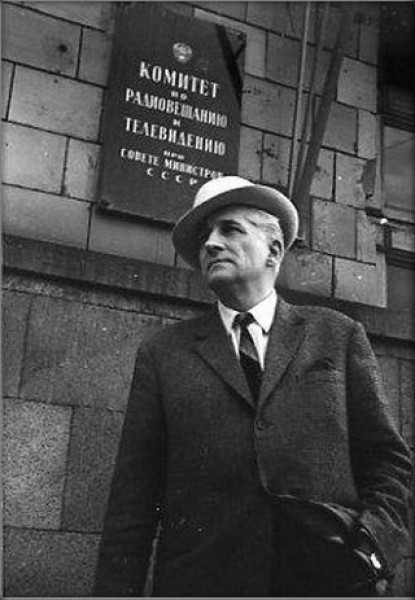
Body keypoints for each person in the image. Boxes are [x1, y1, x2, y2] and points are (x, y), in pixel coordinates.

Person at [94, 176, 411, 597]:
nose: (210, 244)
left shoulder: (336, 334)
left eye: (230, 229)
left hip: (328, 584)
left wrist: (371, 549)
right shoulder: (164, 353)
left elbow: (388, 462)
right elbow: (132, 500)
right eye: (205, 236)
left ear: (274, 251)